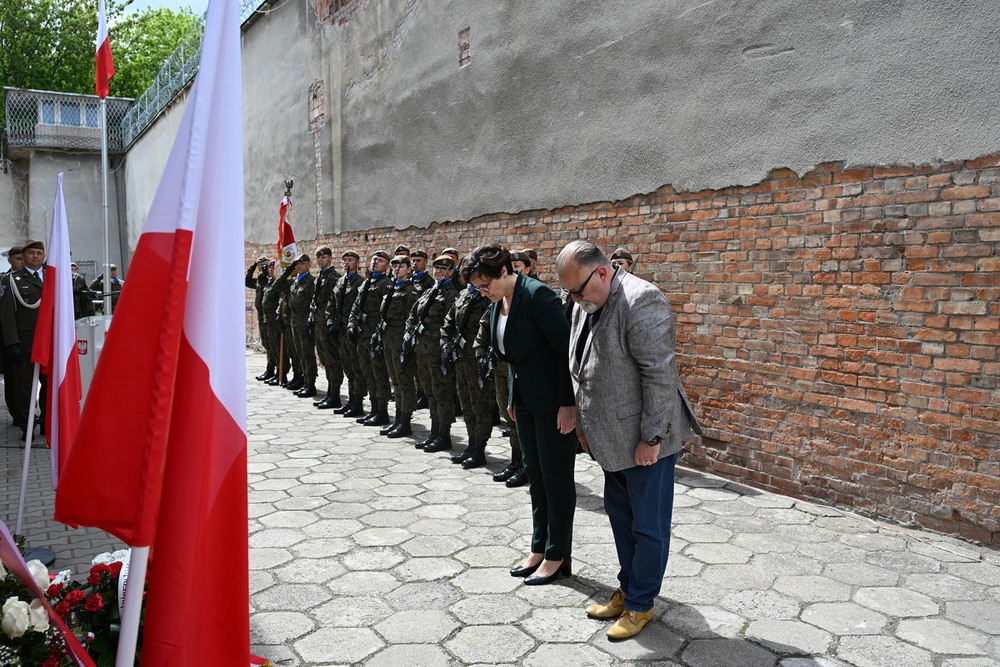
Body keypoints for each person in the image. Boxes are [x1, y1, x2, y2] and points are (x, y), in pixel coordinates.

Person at [555, 239, 702, 640]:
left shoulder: (642, 300)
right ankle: (628, 587)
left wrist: (652, 437)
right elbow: (581, 366)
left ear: (602, 272)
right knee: (621, 518)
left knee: (648, 526)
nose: (574, 299)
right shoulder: (585, 300)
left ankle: (641, 604)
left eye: (578, 290)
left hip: (644, 438)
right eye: (568, 292)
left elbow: (659, 374)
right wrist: (584, 428)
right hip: (609, 436)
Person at [464, 244, 577, 586]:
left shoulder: (537, 296)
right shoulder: (500, 302)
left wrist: (568, 404)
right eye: (478, 289)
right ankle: (539, 547)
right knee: (535, 475)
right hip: (526, 400)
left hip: (554, 402)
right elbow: (512, 356)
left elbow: (565, 352)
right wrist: (513, 395)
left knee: (556, 479)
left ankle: (558, 555)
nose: (483, 293)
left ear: (503, 272)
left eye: (485, 285)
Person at [406, 255, 459, 451]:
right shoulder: (429, 292)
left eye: (443, 268)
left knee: (442, 393)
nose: (438, 271)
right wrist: (408, 334)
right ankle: (434, 432)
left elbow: (451, 324)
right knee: (429, 392)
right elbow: (413, 315)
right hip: (422, 350)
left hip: (437, 352)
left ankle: (443, 435)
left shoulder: (451, 295)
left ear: (451, 272)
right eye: (436, 268)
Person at [440, 269, 492, 467]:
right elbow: (448, 322)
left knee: (480, 406)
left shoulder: (486, 296)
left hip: (477, 361)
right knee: (467, 404)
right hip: (461, 359)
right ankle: (471, 445)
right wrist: (445, 343)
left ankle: (480, 448)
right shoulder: (464, 294)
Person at [0, 240, 48, 437]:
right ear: (24, 257)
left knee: (49, 386)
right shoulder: (10, 280)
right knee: (24, 389)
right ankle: (26, 426)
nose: (35, 256)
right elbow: (7, 314)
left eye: (39, 253)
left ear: (43, 256)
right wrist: (12, 342)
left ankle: (46, 422)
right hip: (25, 342)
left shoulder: (53, 278)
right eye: (31, 253)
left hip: (49, 342)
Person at [347, 251, 392, 426]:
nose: (375, 263)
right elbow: (356, 306)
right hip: (361, 333)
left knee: (379, 374)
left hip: (374, 335)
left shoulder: (386, 284)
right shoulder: (366, 282)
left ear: (387, 266)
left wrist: (379, 334)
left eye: (380, 261)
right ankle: (373, 409)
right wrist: (351, 324)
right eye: (374, 259)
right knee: (368, 373)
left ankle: (382, 411)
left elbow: (386, 312)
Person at [378, 254, 419, 437]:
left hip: (400, 339)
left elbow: (411, 319)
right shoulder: (392, 288)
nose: (397, 269)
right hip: (388, 339)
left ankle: (405, 421)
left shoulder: (411, 291)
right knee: (395, 380)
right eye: (394, 266)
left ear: (409, 269)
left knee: (404, 381)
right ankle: (398, 419)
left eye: (401, 266)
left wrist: (407, 342)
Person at [327, 251, 365, 416]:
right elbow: (331, 304)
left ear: (357, 263)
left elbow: (361, 307)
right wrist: (330, 324)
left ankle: (358, 402)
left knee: (356, 368)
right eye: (344, 260)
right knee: (347, 367)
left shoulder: (361, 283)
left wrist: (354, 326)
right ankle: (350, 400)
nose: (347, 263)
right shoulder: (340, 282)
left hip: (351, 330)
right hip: (339, 329)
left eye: (350, 260)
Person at [311, 247, 343, 408]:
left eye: (324, 257)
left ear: (330, 258)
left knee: (332, 359)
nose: (321, 260)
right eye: (318, 258)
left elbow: (335, 303)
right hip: (318, 322)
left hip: (328, 322)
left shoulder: (334, 278)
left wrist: (333, 324)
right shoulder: (319, 277)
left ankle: (335, 394)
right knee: (324, 358)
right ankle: (330, 393)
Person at [287, 254, 317, 397]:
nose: (299, 266)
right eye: (297, 264)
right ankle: (304, 381)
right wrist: (287, 271)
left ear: (309, 265)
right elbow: (277, 286)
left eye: (302, 263)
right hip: (294, 322)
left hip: (305, 322)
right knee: (298, 353)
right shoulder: (294, 281)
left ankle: (310, 384)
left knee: (307, 354)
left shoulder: (311, 281)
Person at [246, 256, 272, 380]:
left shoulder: (271, 279)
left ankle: (276, 370)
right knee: (266, 344)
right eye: (261, 266)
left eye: (265, 265)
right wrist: (253, 266)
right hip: (262, 317)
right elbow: (247, 281)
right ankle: (270, 369)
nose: (263, 267)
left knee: (273, 345)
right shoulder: (259, 281)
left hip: (271, 317)